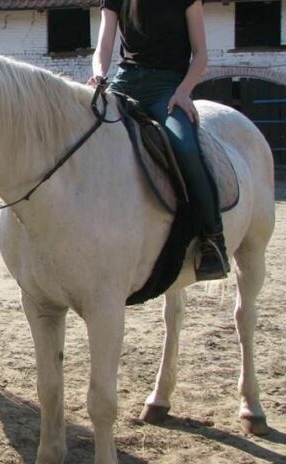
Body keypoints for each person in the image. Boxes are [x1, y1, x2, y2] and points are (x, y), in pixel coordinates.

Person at [90, 0, 230, 281]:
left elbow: (201, 55)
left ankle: (212, 240)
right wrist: (99, 74)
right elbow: (103, 48)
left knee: (187, 148)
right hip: (124, 82)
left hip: (167, 87)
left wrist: (183, 91)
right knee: (87, 134)